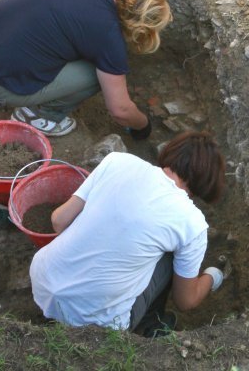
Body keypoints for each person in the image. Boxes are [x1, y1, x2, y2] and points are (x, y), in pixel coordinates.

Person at [29, 131, 229, 336]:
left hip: (43, 281)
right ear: (205, 183)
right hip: (96, 321)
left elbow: (59, 220)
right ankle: (150, 325)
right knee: (171, 258)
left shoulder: (117, 161)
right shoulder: (192, 223)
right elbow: (185, 301)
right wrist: (213, 276)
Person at [0, 0, 171, 138]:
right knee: (98, 74)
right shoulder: (107, 36)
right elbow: (120, 110)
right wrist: (143, 126)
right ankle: (39, 116)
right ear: (140, 27)